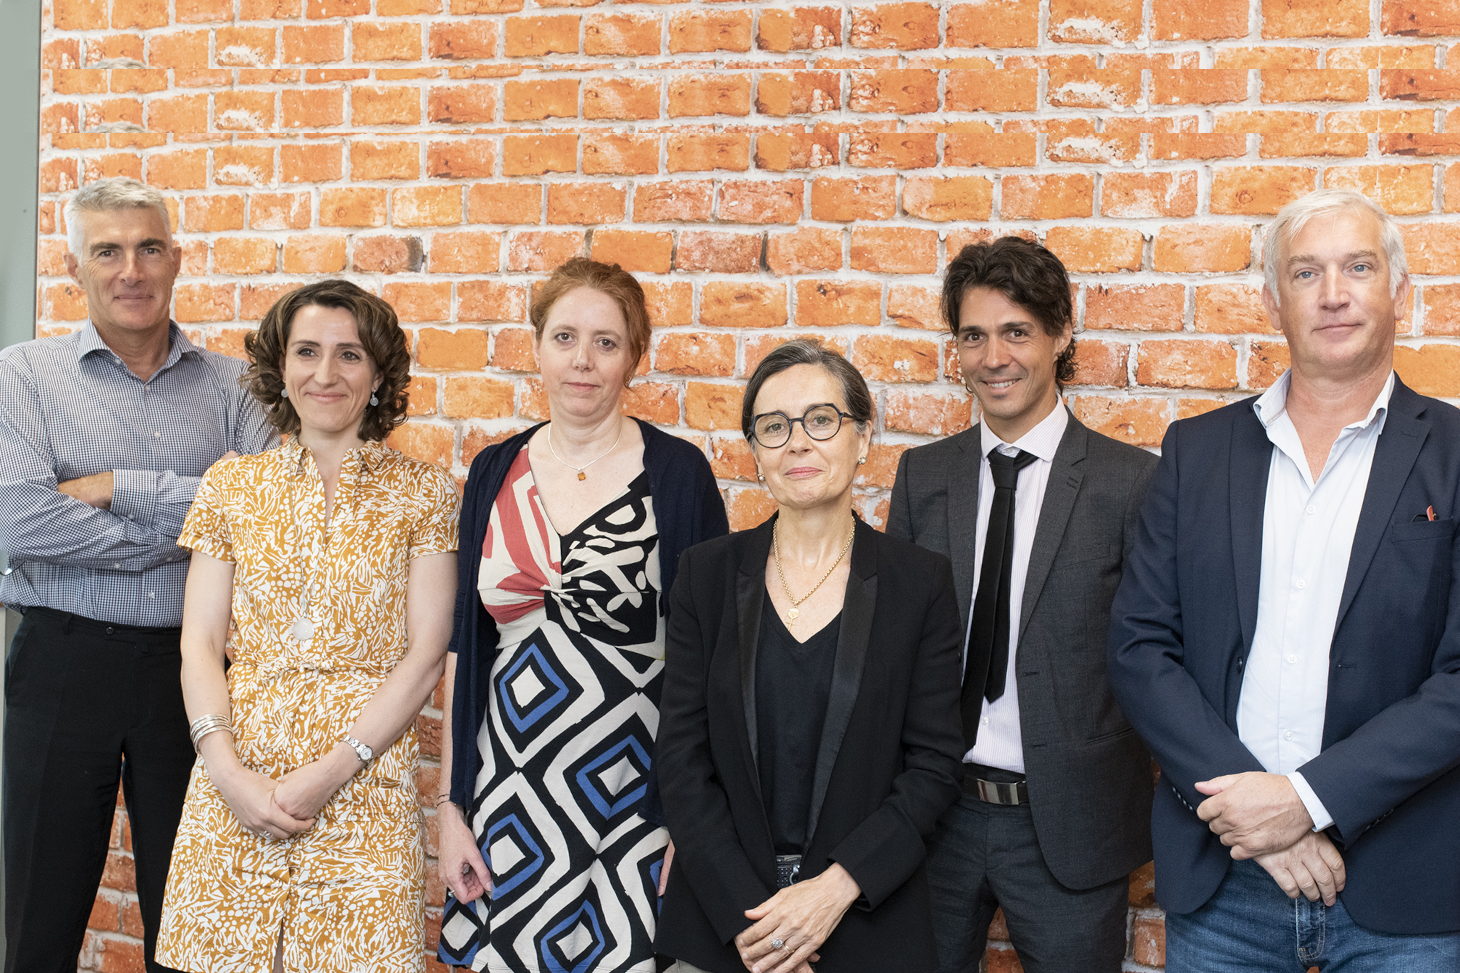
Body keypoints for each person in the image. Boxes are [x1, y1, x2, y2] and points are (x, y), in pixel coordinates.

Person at [1108, 187, 1460, 970]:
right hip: (1227, 880)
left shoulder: (1457, 454)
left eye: (1358, 267)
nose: (1333, 293)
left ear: (1400, 290)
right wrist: (1251, 814)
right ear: (1273, 301)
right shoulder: (1197, 453)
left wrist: (1302, 802)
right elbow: (1138, 647)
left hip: (1407, 890)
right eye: (1305, 273)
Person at [0, 177, 276, 973]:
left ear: (177, 260)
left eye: (149, 247)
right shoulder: (23, 376)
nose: (132, 269)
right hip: (61, 662)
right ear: (74, 267)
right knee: (39, 923)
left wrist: (117, 487)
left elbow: (265, 511)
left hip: (189, 674)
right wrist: (193, 531)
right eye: (108, 250)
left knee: (193, 926)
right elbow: (19, 519)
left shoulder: (238, 385)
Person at [153, 279, 459, 972]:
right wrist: (229, 773)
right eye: (308, 352)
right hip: (235, 784)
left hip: (364, 789)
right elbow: (198, 644)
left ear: (379, 374)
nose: (326, 373)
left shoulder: (425, 491)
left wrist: (329, 771)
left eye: (349, 355)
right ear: (280, 367)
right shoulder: (231, 485)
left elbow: (425, 653)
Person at [435, 257, 728, 973]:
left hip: (634, 789)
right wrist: (452, 805)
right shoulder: (493, 469)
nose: (583, 361)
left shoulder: (679, 472)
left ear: (635, 356)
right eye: (564, 337)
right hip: (510, 785)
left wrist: (689, 824)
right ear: (536, 346)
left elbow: (716, 657)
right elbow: (463, 651)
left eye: (606, 341)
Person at [887, 237, 1156, 973]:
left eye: (1016, 331)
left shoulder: (1129, 483)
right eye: (973, 335)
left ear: (1060, 335)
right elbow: (892, 651)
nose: (993, 357)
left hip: (1070, 824)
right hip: (936, 816)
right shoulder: (924, 475)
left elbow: (1156, 659)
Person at [654, 339, 966, 973]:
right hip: (727, 926)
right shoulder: (705, 576)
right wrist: (759, 924)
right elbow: (682, 762)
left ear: (863, 436)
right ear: (755, 452)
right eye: (774, 427)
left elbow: (933, 767)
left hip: (864, 921)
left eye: (822, 420)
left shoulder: (919, 582)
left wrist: (833, 891)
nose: (798, 442)